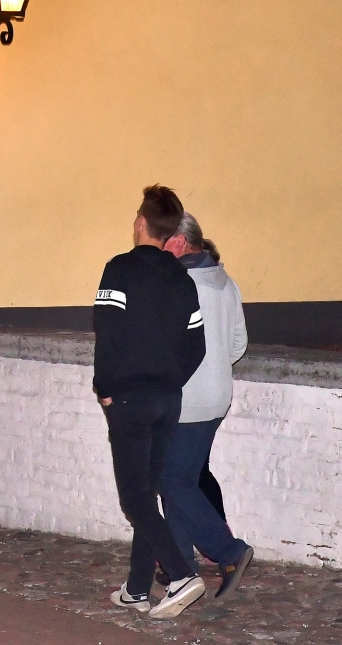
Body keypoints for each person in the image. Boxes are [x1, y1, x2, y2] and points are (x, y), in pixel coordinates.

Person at [94, 185, 207, 619]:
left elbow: (108, 332)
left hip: (129, 398)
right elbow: (196, 345)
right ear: (170, 232)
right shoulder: (182, 279)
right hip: (167, 399)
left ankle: (180, 574)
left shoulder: (119, 269)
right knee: (148, 492)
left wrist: (105, 387)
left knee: (134, 497)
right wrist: (170, 382)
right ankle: (137, 588)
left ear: (141, 222)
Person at [159, 213, 254, 598]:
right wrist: (215, 367)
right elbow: (238, 344)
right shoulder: (225, 282)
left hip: (186, 398)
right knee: (181, 478)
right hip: (216, 396)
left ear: (180, 242)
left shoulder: (176, 285)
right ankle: (179, 566)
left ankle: (229, 551)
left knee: (171, 480)